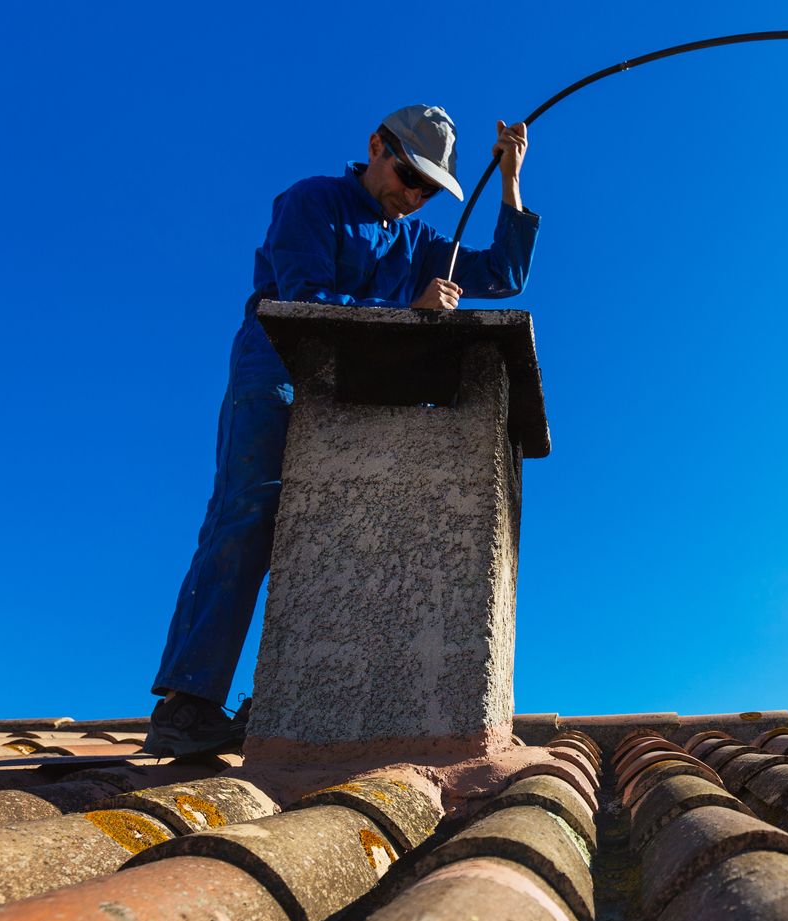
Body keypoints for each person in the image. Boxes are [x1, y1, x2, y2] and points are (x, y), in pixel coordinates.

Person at [145, 105, 539, 757]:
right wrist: (407, 309)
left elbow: (503, 274)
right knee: (249, 512)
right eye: (408, 176)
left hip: (349, 397)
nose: (413, 196)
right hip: (274, 373)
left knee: (340, 527)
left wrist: (510, 181)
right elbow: (301, 299)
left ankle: (292, 698)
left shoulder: (417, 243)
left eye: (427, 189)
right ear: (376, 146)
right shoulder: (312, 201)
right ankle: (186, 706)